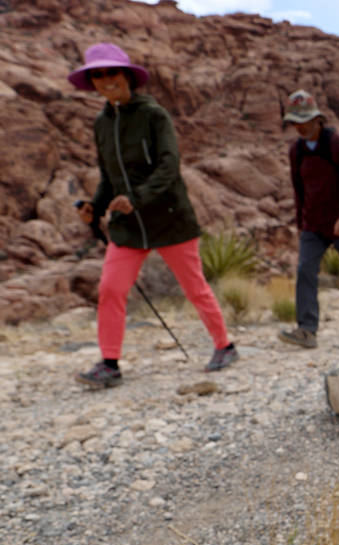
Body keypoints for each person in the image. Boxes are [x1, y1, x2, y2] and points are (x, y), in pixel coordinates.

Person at [69, 43, 238, 388]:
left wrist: (137, 198)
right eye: (97, 75)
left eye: (110, 73)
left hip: (170, 218)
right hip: (128, 227)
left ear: (127, 75)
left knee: (195, 288)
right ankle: (109, 363)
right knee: (110, 289)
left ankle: (225, 345)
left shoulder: (154, 115)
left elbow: (168, 166)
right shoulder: (102, 124)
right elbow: (108, 177)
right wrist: (95, 207)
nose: (105, 80)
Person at [278, 90, 339, 348]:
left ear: (317, 119)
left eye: (304, 121)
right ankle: (307, 331)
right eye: (295, 123)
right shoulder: (296, 151)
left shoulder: (338, 144)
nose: (300, 127)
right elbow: (298, 190)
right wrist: (301, 224)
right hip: (314, 224)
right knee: (305, 272)